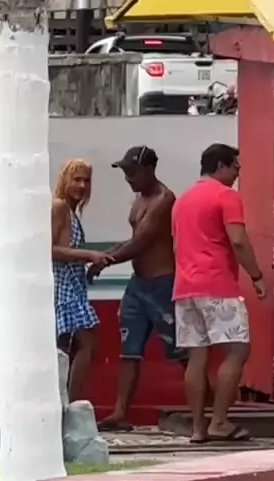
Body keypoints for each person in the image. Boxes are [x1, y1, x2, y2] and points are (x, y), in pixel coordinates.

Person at [172, 142, 265, 444]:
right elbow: (238, 240)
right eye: (236, 166)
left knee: (197, 356)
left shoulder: (182, 201)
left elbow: (177, 246)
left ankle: (198, 428)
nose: (238, 173)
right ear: (221, 166)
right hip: (217, 285)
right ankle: (220, 422)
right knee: (238, 350)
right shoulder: (226, 196)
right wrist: (257, 275)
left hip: (185, 288)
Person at [97, 146, 186, 432]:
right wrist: (104, 256)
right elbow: (132, 239)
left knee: (183, 352)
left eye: (132, 173)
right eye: (125, 173)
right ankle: (120, 412)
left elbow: (141, 242)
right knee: (130, 351)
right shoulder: (139, 199)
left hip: (162, 284)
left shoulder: (164, 199)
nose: (128, 179)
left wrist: (105, 260)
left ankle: (206, 410)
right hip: (138, 285)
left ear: (149, 170)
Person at [52, 159, 113, 402]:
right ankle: (70, 402)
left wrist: (87, 264)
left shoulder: (70, 212)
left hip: (73, 285)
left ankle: (67, 400)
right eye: (76, 179)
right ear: (64, 180)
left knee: (71, 347)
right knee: (85, 344)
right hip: (63, 287)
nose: (82, 185)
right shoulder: (59, 207)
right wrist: (88, 255)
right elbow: (48, 249)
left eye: (86, 180)